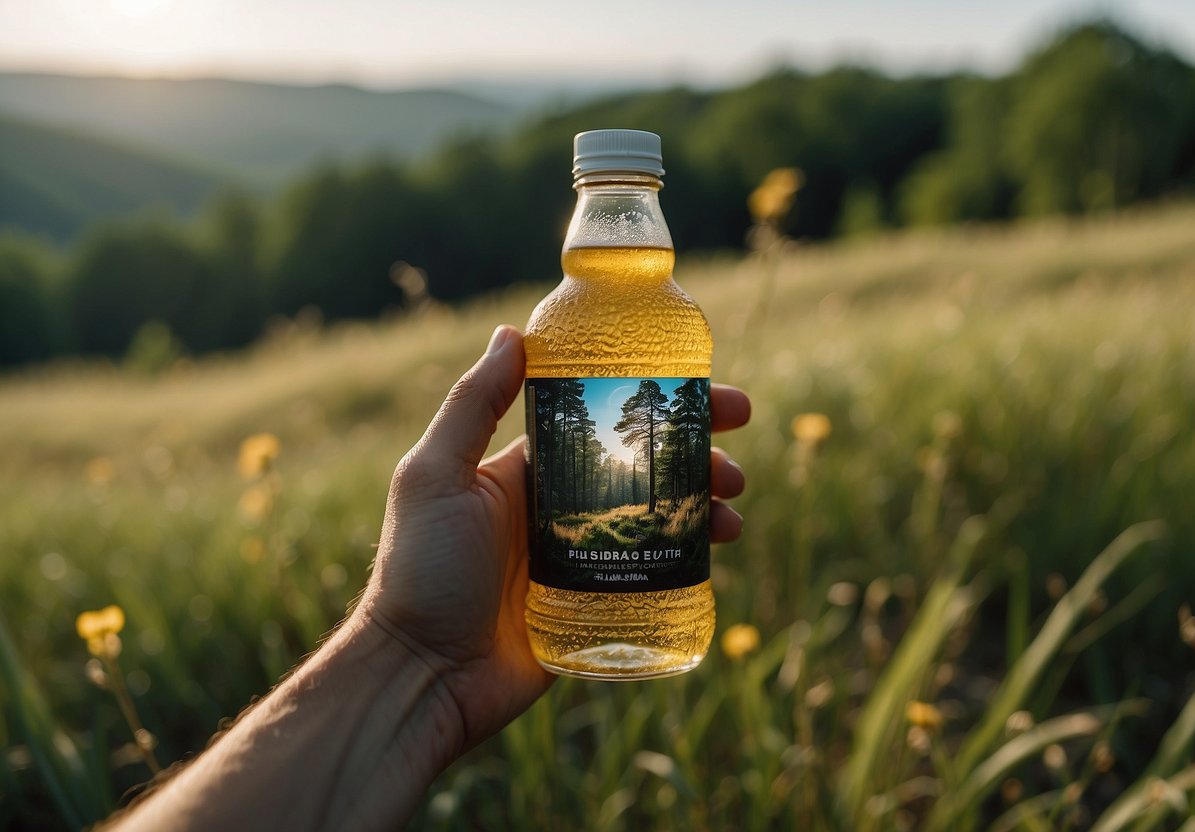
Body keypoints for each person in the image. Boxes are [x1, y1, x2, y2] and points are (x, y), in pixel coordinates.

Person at [107, 325, 750, 831]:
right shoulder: (569, 316)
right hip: (541, 628)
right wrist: (413, 648)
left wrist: (410, 661)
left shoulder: (660, 314)